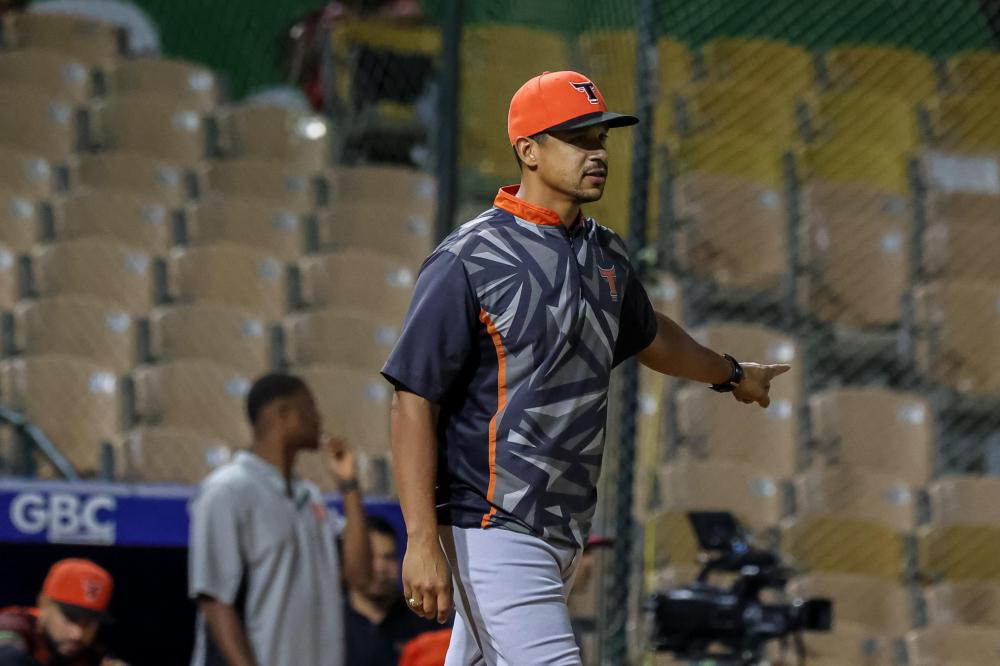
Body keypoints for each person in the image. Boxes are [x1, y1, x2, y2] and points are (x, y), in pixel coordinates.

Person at [381, 69, 792, 665]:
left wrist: (730, 373)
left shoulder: (603, 252)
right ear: (528, 150)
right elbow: (412, 399)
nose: (597, 152)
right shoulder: (469, 259)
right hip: (490, 523)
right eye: (577, 138)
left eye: (601, 138)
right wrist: (421, 541)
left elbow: (651, 334)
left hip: (560, 530)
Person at [188, 373, 372, 666]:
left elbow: (360, 578)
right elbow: (215, 602)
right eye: (310, 408)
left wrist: (349, 486)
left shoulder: (310, 498)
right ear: (283, 414)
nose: (319, 418)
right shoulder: (226, 490)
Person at [344, 515, 444, 666]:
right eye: (369, 557)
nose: (380, 568)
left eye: (389, 557)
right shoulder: (332, 624)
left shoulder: (425, 620)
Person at [0, 558, 125, 666]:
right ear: (43, 603)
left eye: (89, 624)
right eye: (70, 618)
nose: (77, 634)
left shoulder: (90, 655)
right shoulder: (12, 625)